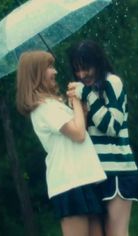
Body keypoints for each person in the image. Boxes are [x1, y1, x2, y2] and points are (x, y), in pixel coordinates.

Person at [16, 50, 107, 236]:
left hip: (82, 178)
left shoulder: (53, 104)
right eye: (49, 67)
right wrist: (74, 101)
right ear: (37, 73)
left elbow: (77, 129)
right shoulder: (44, 107)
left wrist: (79, 109)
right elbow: (78, 134)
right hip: (69, 182)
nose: (55, 71)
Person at [67, 40, 138, 236]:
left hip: (117, 170)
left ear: (98, 63)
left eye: (86, 68)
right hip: (94, 173)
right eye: (77, 70)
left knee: (117, 233)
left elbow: (112, 126)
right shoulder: (84, 90)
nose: (82, 75)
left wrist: (88, 96)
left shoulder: (112, 82)